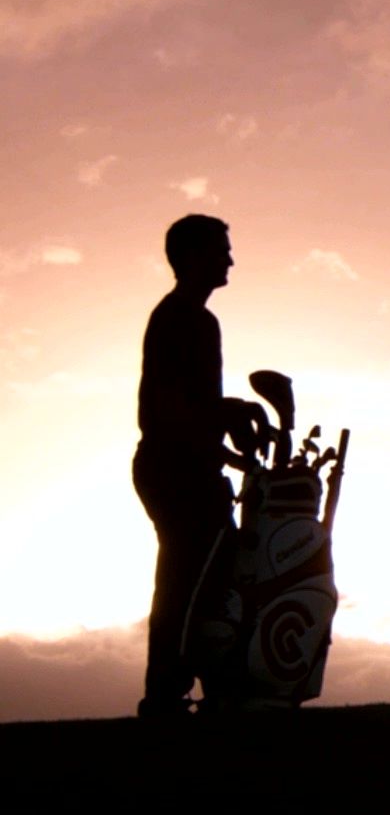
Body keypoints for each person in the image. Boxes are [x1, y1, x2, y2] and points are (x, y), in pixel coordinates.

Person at [133, 215, 262, 718]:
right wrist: (230, 418)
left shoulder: (190, 317)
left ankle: (199, 687)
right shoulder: (183, 318)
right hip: (173, 469)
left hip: (183, 465)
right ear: (191, 256)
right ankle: (172, 693)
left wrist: (226, 436)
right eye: (220, 249)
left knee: (203, 577)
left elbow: (192, 407)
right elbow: (166, 410)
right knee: (194, 578)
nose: (230, 259)